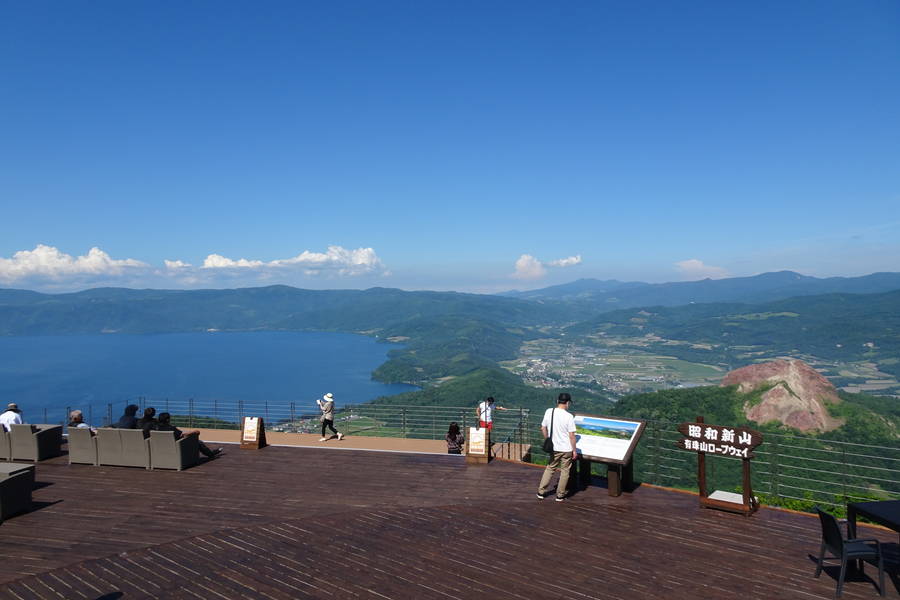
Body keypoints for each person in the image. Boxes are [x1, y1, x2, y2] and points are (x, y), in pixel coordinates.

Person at [536, 393, 578, 502]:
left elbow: (543, 428)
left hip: (554, 448)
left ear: (557, 401)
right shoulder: (569, 416)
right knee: (565, 471)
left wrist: (547, 439)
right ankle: (560, 495)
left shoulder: (549, 411)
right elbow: (572, 436)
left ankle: (541, 492)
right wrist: (574, 450)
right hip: (566, 449)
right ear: (568, 403)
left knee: (550, 468)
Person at [156, 412, 222, 459]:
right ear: (167, 420)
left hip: (160, 448)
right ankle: (211, 455)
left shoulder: (155, 428)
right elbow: (182, 435)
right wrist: (194, 432)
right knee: (198, 442)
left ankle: (211, 454)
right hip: (176, 447)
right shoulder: (171, 428)